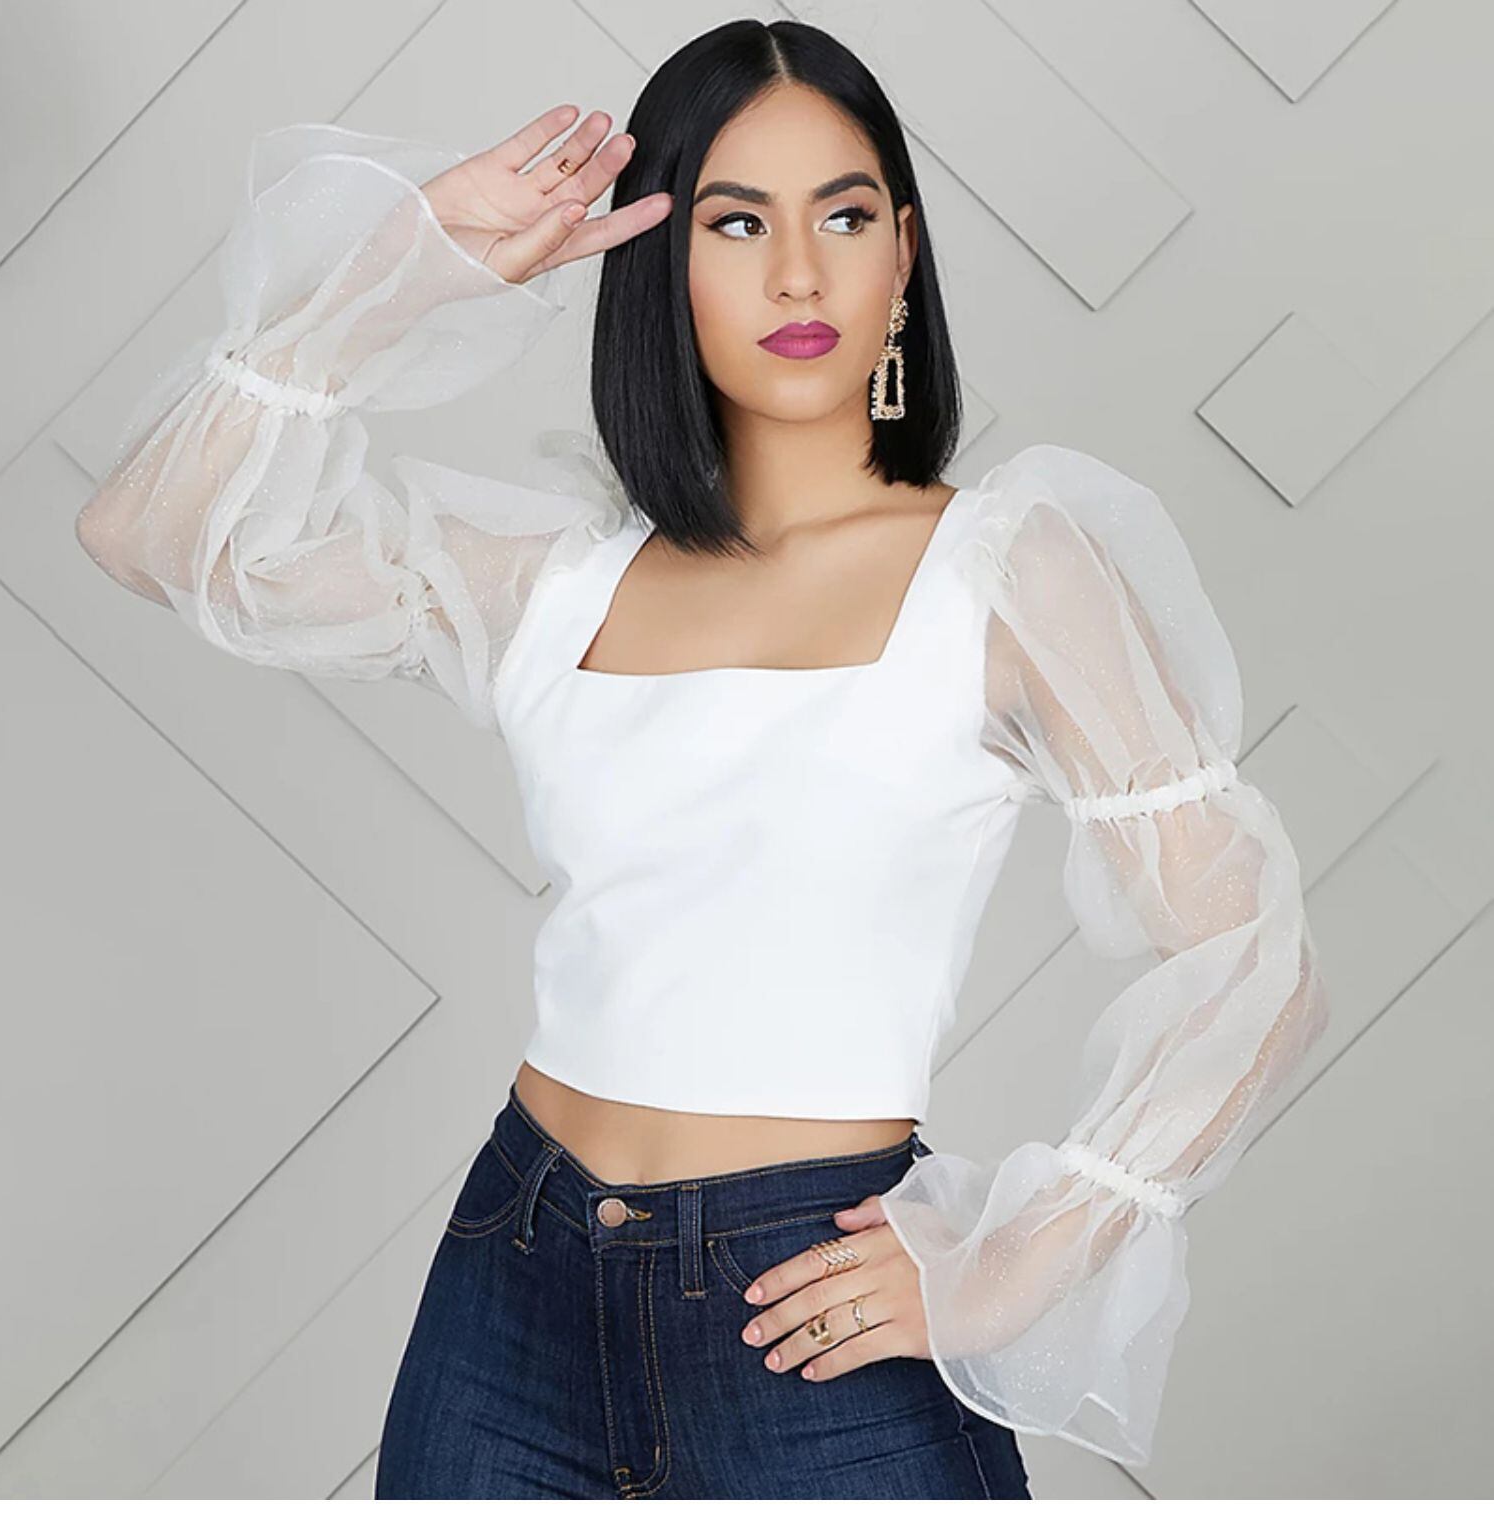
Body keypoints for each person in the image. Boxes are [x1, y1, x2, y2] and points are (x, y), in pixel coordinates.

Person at [73, 17, 1328, 1502]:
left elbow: (1254, 955)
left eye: (843, 217)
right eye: (736, 223)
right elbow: (150, 534)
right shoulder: (555, 577)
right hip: (514, 1275)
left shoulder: (1010, 572)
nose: (798, 275)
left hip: (809, 1292)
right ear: (661, 261)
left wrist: (1014, 1262)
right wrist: (402, 271)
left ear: (905, 252)